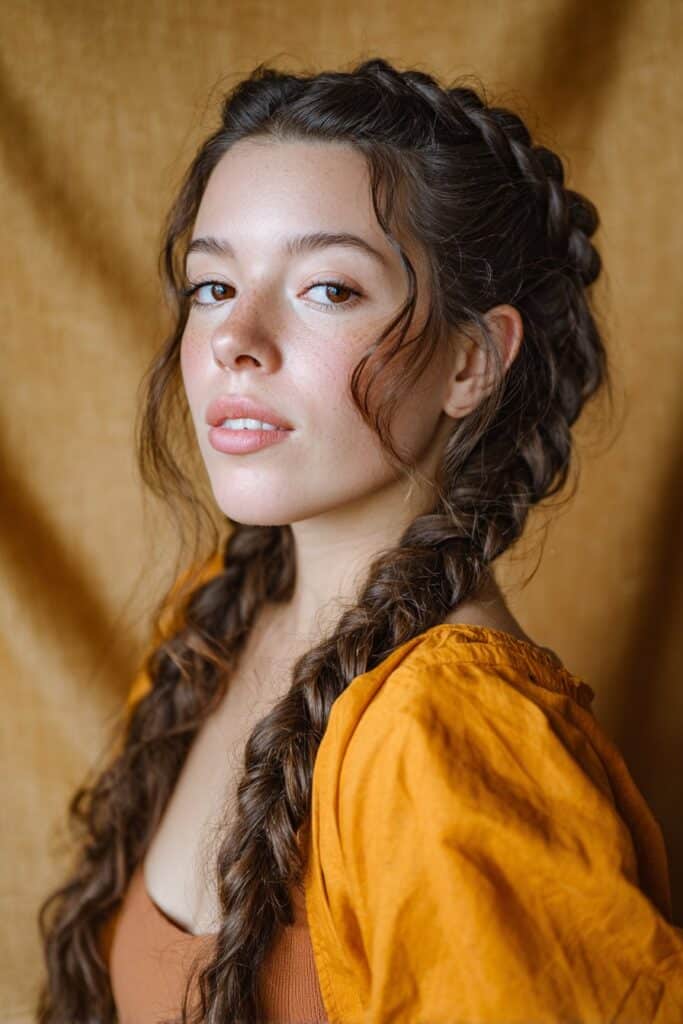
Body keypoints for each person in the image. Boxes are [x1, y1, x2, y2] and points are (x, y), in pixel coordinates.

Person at [37, 57, 683, 1023]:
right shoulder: (214, 622)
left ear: (471, 362)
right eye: (212, 285)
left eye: (328, 289)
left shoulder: (447, 731)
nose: (235, 339)